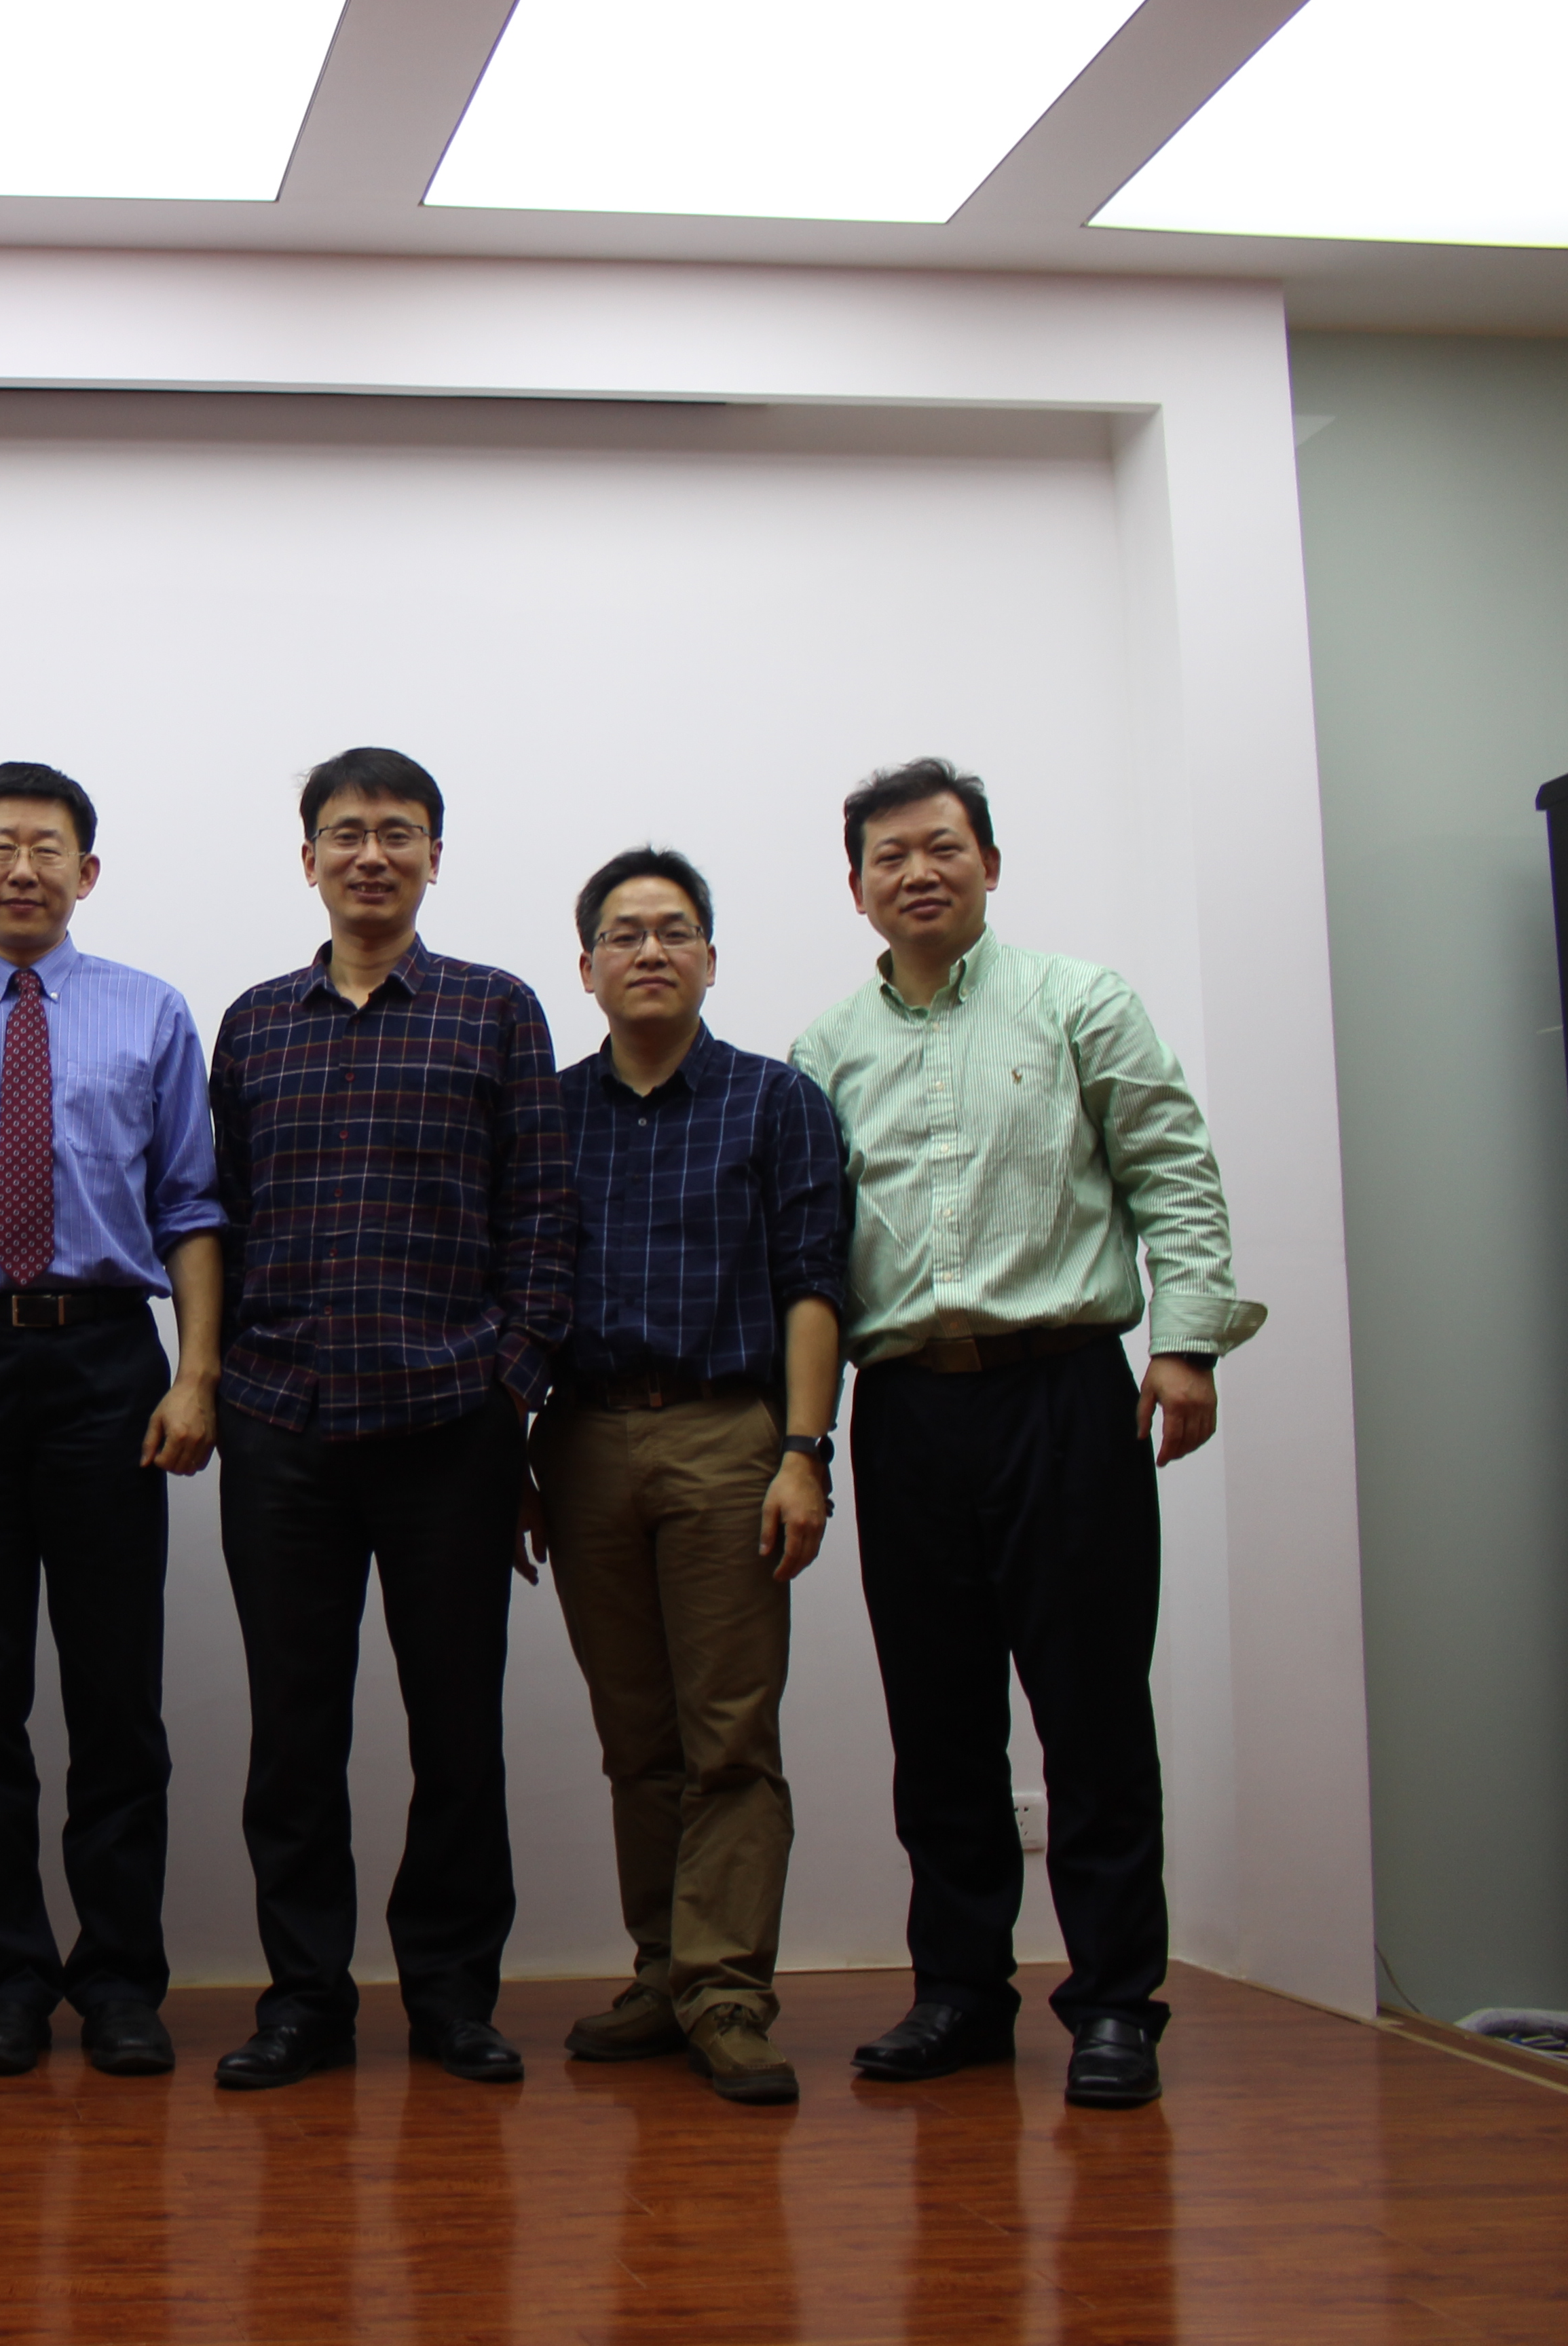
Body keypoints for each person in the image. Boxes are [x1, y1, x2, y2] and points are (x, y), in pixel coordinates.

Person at [789, 757, 1265, 2112]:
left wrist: (1185, 1341)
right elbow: (808, 1253)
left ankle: (1115, 2004)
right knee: (937, 1719)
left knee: (1093, 1710)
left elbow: (1172, 1167)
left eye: (942, 848)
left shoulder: (1078, 1001)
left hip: (1066, 1395)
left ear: (989, 865)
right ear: (856, 888)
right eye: (889, 856)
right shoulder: (825, 1051)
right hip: (908, 1409)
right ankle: (960, 1993)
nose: (917, 873)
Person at [202, 746, 573, 2091]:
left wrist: (507, 1382)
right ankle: (304, 2001)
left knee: (456, 1731)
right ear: (308, 857)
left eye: (399, 831)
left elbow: (542, 1217)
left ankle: (452, 1999)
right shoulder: (254, 1023)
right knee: (294, 1736)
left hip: (448, 1425)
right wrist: (228, 1376)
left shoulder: (497, 1010)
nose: (372, 854)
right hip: (284, 1425)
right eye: (347, 832)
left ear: (434, 856)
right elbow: (219, 1216)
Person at [0, 762, 227, 2080]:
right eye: (1, 845)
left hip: (107, 1362)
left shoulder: (151, 1013)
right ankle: (9, 1980)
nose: (24, 869)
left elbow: (191, 1205)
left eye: (49, 847)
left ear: (88, 871)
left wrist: (195, 1374)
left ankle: (122, 1980)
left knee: (117, 1694)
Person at [527, 846, 846, 2107]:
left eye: (674, 931)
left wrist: (804, 1452)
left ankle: (727, 1993)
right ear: (588, 967)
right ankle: (664, 1971)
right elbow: (518, 1291)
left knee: (730, 1731)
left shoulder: (776, 1101)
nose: (649, 951)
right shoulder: (546, 1111)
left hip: (727, 1436)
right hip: (584, 1439)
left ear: (710, 957)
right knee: (637, 1736)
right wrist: (514, 1457)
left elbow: (813, 1281)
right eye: (624, 933)